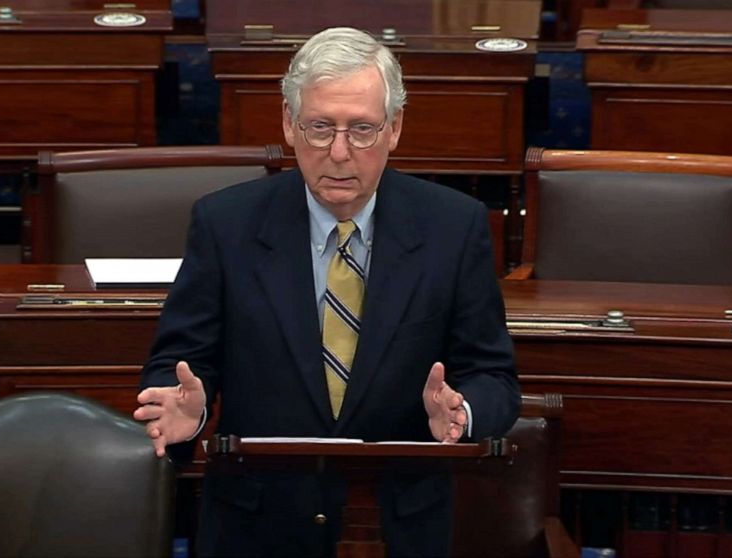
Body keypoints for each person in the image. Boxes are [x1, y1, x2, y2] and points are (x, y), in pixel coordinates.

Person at [134, 26, 520, 557]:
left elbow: (493, 375)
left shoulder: (454, 228)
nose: (340, 153)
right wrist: (187, 412)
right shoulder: (225, 224)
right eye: (320, 128)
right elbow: (179, 363)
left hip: (396, 527)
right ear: (289, 125)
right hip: (256, 528)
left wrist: (464, 411)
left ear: (395, 129)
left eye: (362, 129)